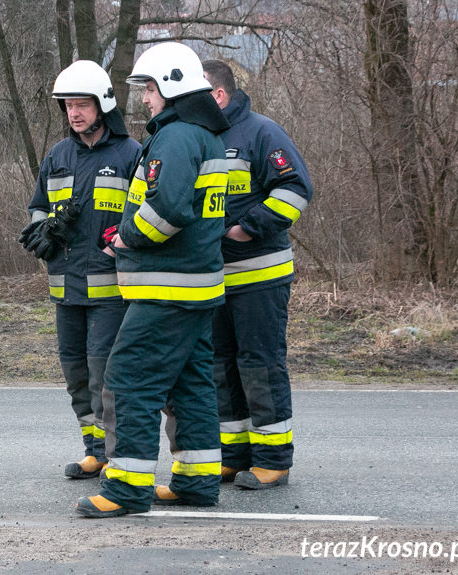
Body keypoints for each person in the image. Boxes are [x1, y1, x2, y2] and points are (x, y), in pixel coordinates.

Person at [74, 42, 229, 517]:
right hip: (194, 287)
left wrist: (126, 239)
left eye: (149, 89)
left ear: (173, 87)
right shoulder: (202, 134)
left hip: (166, 290)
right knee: (190, 385)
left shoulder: (177, 137)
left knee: (128, 380)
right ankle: (197, 482)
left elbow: (169, 210)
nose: (144, 99)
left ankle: (125, 487)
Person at [19, 60, 141, 479]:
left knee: (102, 375)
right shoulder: (57, 155)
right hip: (65, 288)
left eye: (82, 104)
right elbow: (36, 206)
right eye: (69, 105)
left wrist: (119, 244)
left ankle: (114, 454)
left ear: (103, 105)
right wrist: (45, 229)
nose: (74, 113)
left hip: (109, 291)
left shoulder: (130, 154)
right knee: (75, 374)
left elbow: (143, 213)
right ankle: (93, 450)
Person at [200, 59, 313, 489]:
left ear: (219, 95)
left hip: (260, 274)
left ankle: (273, 460)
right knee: (221, 366)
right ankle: (233, 455)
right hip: (214, 276)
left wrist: (250, 227)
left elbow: (295, 189)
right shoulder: (200, 137)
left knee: (260, 364)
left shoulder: (262, 132)